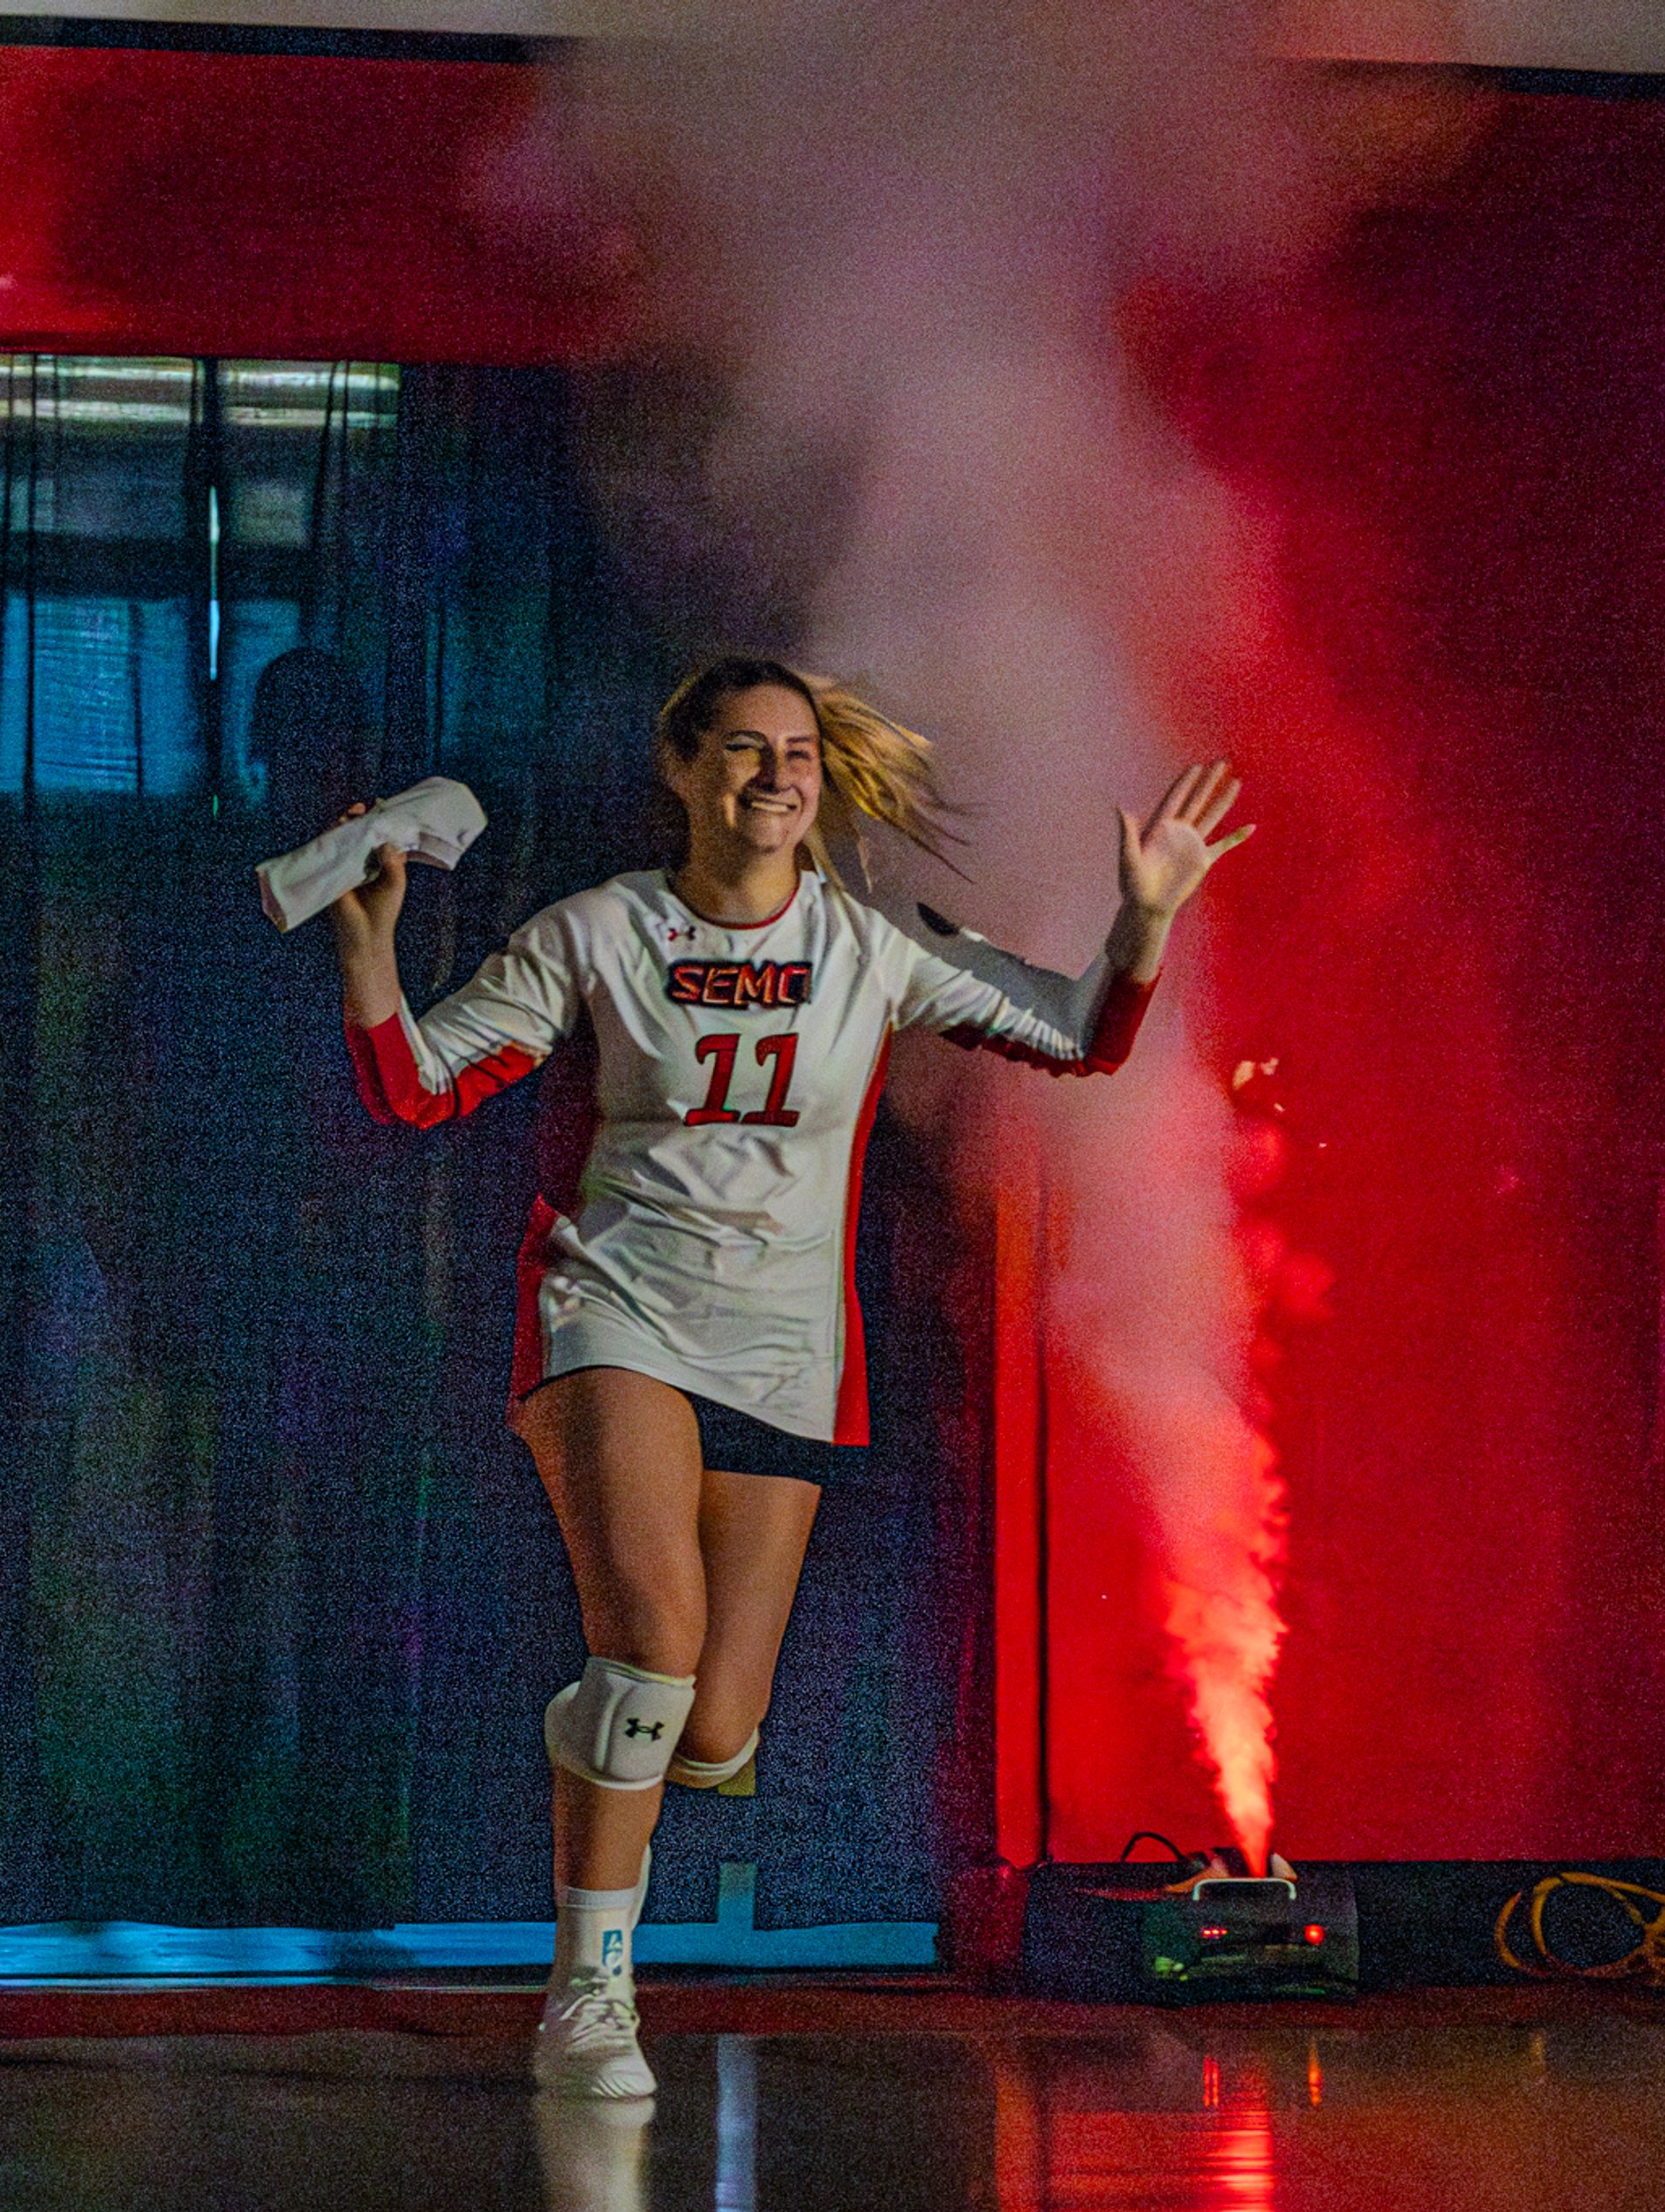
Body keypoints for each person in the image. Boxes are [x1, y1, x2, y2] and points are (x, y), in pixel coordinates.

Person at [324, 656, 1250, 2098]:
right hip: (609, 1315)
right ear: (683, 771)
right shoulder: (599, 931)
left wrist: (1141, 924)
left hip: (784, 1354)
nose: (777, 776)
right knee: (651, 1643)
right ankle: (591, 1995)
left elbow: (1079, 1037)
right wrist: (370, 950)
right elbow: (418, 1083)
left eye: (800, 752)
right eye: (744, 751)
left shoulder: (872, 950)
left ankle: (599, 1743)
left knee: (710, 1727)